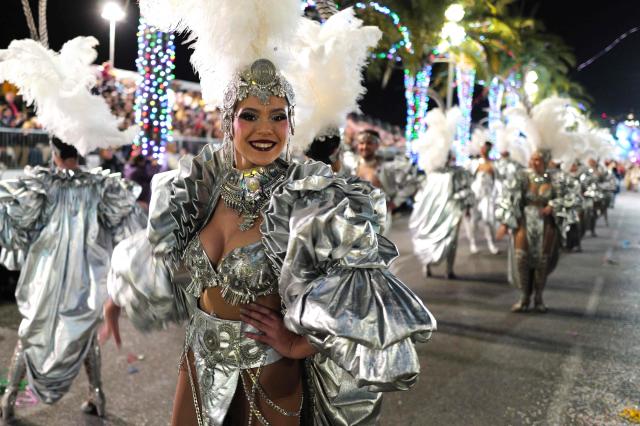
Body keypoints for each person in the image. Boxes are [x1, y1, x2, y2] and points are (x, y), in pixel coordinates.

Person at [102, 3, 434, 425]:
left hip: (270, 375)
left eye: (278, 116)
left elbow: (359, 296)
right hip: (200, 366)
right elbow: (157, 255)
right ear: (229, 121)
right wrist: (117, 298)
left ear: (291, 123)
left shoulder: (310, 196)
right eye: (250, 116)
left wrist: (299, 345)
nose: (266, 129)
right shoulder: (200, 184)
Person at [0, 36, 145, 422]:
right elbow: (124, 221)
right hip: (85, 272)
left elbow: (18, 219)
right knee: (83, 333)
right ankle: (97, 396)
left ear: (53, 146)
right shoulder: (100, 184)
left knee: (31, 334)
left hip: (46, 272)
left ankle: (7, 402)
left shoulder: (41, 183)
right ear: (80, 146)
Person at [496, 98, 579, 312]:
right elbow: (509, 197)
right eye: (532, 158)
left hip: (546, 223)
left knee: (542, 260)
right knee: (522, 258)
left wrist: (554, 204)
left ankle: (539, 298)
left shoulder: (557, 178)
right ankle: (524, 297)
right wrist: (506, 221)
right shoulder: (521, 176)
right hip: (525, 219)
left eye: (538, 159)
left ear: (546, 159)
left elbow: (573, 196)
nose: (534, 162)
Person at [410, 107, 474, 279]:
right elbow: (422, 194)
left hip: (452, 211)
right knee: (428, 237)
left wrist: (464, 205)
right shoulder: (431, 175)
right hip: (430, 213)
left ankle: (449, 269)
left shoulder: (458, 172)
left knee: (452, 241)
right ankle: (427, 264)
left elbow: (466, 191)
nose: (448, 158)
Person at [465, 140, 499, 255]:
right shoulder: (474, 163)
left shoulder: (493, 164)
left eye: (486, 148)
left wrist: (495, 196)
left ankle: (491, 243)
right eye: (483, 148)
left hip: (487, 196)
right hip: (475, 195)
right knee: (473, 220)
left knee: (488, 219)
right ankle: (472, 243)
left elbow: (496, 181)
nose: (484, 150)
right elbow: (467, 178)